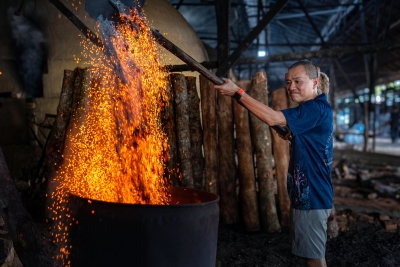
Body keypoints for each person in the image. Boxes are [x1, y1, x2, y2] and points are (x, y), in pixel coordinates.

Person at [214, 60, 333, 267]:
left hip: (312, 196)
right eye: (288, 82)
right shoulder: (312, 109)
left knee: (315, 260)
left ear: (315, 82)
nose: (291, 87)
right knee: (310, 256)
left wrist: (237, 92)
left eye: (298, 81)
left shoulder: (314, 108)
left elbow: (271, 117)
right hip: (309, 195)